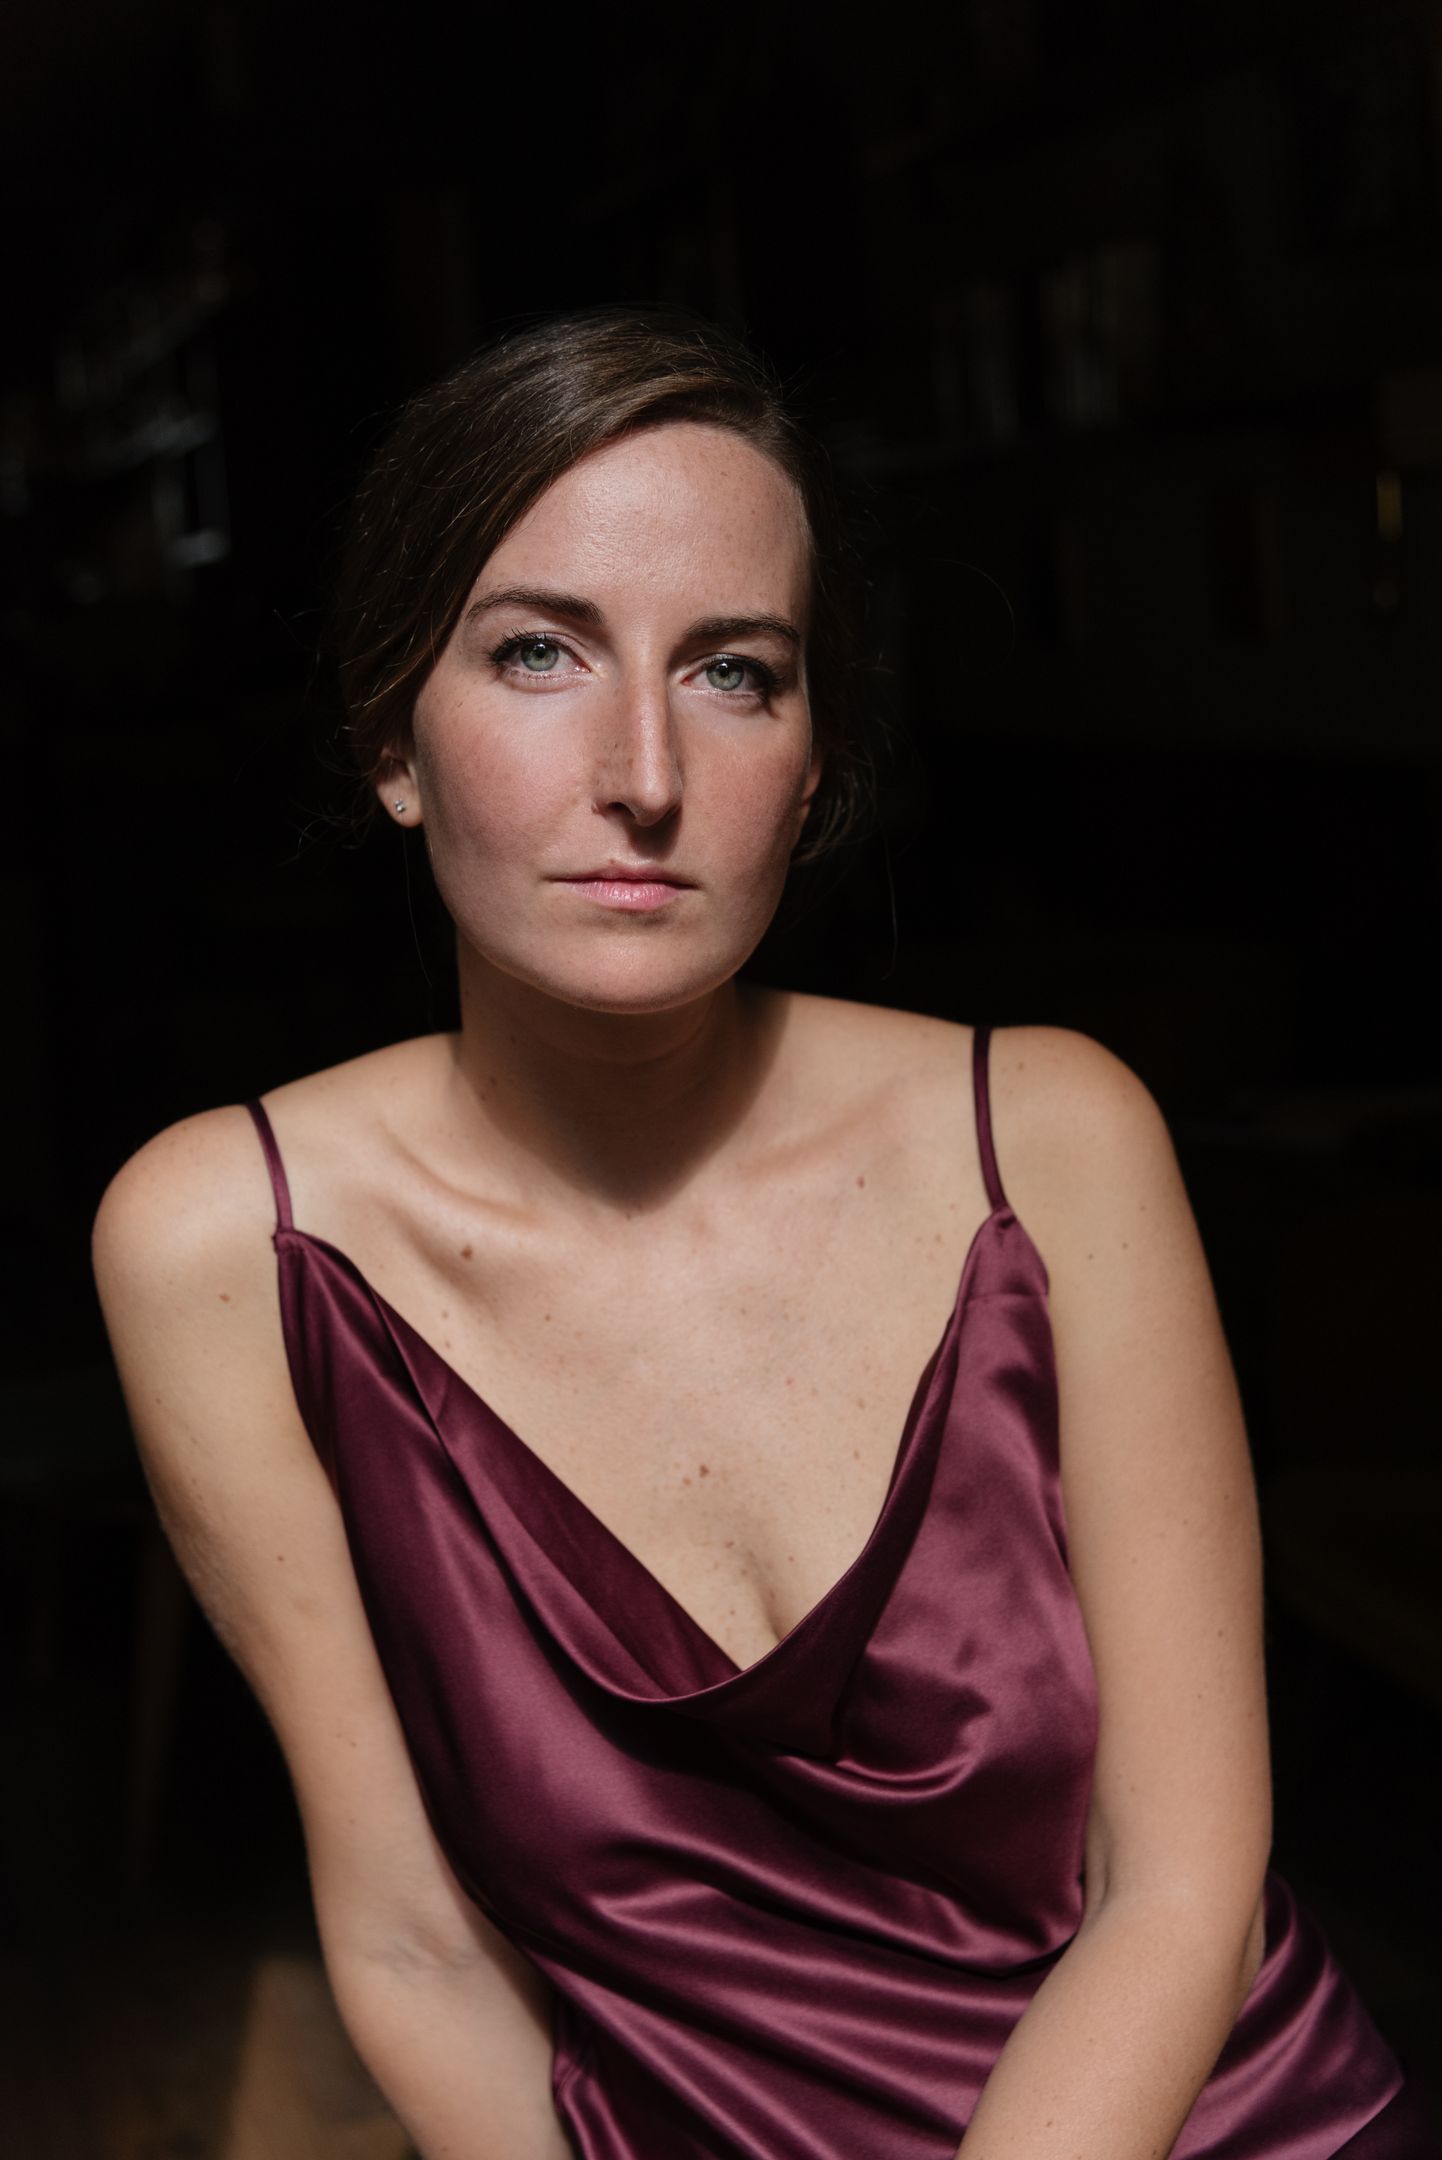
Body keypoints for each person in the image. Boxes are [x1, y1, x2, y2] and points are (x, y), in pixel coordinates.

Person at [92, 306, 1428, 2158]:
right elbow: (414, 1944)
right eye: (539, 651)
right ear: (393, 737)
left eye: (733, 672)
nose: (642, 770)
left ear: (809, 768)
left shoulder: (1050, 1142)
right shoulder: (225, 1242)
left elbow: (1180, 1885)